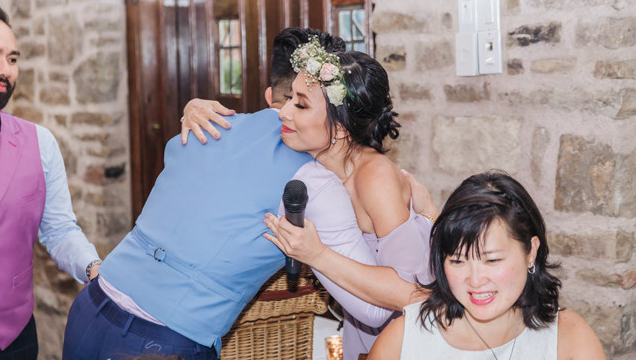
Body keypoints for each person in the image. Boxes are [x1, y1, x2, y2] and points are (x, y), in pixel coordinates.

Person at [62, 28, 351, 360]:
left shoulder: (206, 124)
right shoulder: (314, 177)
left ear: (270, 95)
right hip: (162, 342)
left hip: (90, 308)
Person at [185, 47, 438, 358]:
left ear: (340, 128)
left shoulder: (375, 177)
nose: (284, 112)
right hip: (361, 326)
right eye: (290, 97)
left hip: (404, 338)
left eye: (300, 104)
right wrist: (193, 107)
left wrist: (316, 254)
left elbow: (412, 295)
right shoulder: (311, 158)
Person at [0, 0, 101, 360]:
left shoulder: (41, 142)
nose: (6, 70)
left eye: (12, 59)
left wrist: (94, 268)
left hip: (16, 339)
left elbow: (58, 229)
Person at [368, 171, 606, 360]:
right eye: (458, 261)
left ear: (531, 252)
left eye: (492, 260)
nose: (475, 280)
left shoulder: (569, 339)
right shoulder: (402, 342)